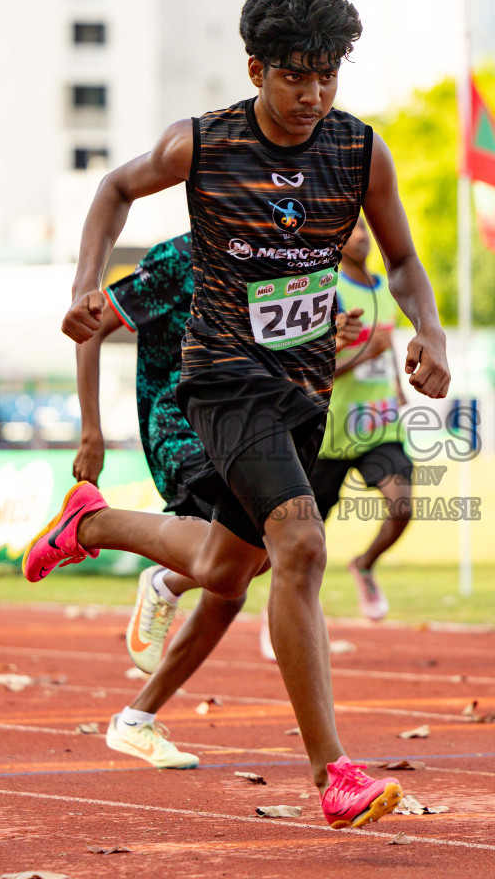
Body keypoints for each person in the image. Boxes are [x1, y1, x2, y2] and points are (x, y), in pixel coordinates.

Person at [24, 0, 450, 830]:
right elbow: (113, 190)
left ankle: (92, 525)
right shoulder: (202, 144)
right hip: (221, 374)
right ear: (256, 70)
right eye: (296, 76)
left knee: (227, 569)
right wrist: (83, 286)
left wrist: (430, 331)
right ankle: (334, 775)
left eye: (328, 74)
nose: (314, 94)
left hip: (303, 387)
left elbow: (402, 260)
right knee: (302, 545)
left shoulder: (359, 151)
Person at [74, 233, 361, 769]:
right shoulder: (178, 258)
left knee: (234, 580)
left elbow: (295, 362)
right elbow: (90, 327)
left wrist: (336, 341)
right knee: (256, 558)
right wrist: (92, 429)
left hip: (254, 430)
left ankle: (136, 717)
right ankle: (147, 566)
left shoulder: (288, 260)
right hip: (181, 428)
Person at [310, 216, 415, 622]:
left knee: (401, 505)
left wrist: (397, 383)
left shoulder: (386, 288)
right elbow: (314, 370)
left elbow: (386, 340)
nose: (361, 236)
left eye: (365, 229)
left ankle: (365, 564)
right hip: (330, 430)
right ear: (336, 240)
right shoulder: (328, 290)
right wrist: (365, 353)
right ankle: (288, 609)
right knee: (304, 537)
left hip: (379, 424)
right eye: (352, 230)